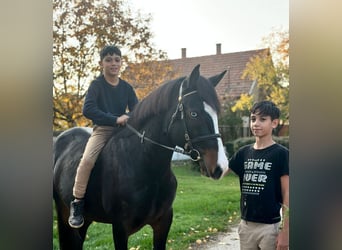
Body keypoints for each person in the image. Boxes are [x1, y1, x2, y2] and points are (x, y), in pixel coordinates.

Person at [68, 45, 139, 228]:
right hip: (103, 130)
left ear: (121, 62)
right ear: (101, 63)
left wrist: (128, 119)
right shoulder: (96, 85)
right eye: (108, 60)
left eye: (117, 59)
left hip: (124, 131)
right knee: (87, 161)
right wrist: (115, 119)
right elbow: (88, 109)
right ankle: (77, 202)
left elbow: (136, 110)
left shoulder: (126, 87)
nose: (113, 63)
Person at [227, 100, 289, 250]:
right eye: (253, 119)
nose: (256, 123)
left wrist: (285, 233)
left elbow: (287, 193)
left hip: (269, 228)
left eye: (262, 119)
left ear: (274, 123)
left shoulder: (281, 154)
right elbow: (220, 171)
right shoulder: (243, 153)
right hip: (246, 226)